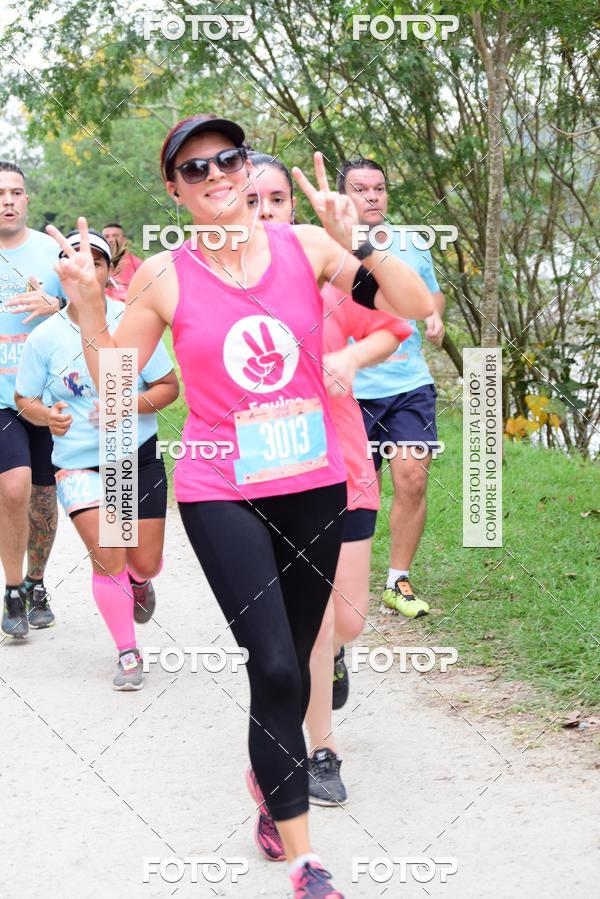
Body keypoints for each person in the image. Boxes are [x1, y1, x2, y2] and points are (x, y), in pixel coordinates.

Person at [47, 114, 433, 898]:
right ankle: (304, 860)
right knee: (276, 661)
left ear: (246, 166)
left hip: (314, 482)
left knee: (291, 672)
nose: (217, 173)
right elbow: (118, 388)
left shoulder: (307, 248)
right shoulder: (164, 274)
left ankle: (270, 778)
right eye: (196, 168)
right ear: (174, 189)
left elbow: (414, 306)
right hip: (221, 490)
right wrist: (89, 307)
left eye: (228, 158)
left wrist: (357, 237)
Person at [247, 153, 413, 806]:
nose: (265, 213)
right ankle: (320, 747)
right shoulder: (215, 288)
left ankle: (335, 659)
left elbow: (394, 323)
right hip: (273, 475)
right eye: (251, 201)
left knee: (346, 620)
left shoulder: (330, 279)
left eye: (277, 200)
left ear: (295, 207)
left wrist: (350, 246)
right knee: (309, 624)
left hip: (344, 468)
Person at [15, 228, 178, 689]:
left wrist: (131, 404)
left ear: (109, 273)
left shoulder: (133, 322)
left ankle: (141, 583)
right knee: (107, 556)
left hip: (129, 460)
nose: (84, 268)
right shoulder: (44, 337)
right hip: (78, 463)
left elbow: (169, 388)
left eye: (96, 261)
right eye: (72, 260)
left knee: (140, 561)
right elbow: (24, 397)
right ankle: (128, 652)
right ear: (60, 273)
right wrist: (48, 416)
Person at [337, 158, 446, 619]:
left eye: (379, 188)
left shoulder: (411, 241)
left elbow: (432, 292)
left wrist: (434, 312)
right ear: (344, 197)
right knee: (358, 490)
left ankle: (396, 579)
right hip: (350, 388)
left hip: (408, 384)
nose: (372, 196)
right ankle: (346, 576)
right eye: (361, 189)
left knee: (412, 477)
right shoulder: (328, 246)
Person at [0, 160, 64, 638]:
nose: (7, 200)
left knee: (44, 497)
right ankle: (13, 589)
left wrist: (58, 305)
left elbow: (93, 312)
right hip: (3, 401)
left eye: (15, 192)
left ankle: (38, 584)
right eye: (0, 193)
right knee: (14, 487)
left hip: (46, 398)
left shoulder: (51, 253)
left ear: (27, 199)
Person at [101, 223, 143, 302]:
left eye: (115, 236)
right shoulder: (95, 265)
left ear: (124, 240)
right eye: (106, 236)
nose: (110, 239)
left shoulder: (138, 265)